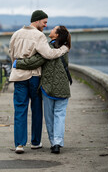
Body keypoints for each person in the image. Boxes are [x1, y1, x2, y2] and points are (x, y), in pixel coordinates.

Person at [9, 10, 69, 154]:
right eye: (44, 22)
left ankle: (19, 144)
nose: (45, 26)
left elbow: (11, 54)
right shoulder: (39, 35)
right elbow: (48, 54)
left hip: (19, 76)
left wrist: (18, 65)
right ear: (36, 21)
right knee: (36, 110)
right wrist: (62, 50)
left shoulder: (16, 34)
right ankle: (35, 142)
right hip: (34, 76)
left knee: (20, 110)